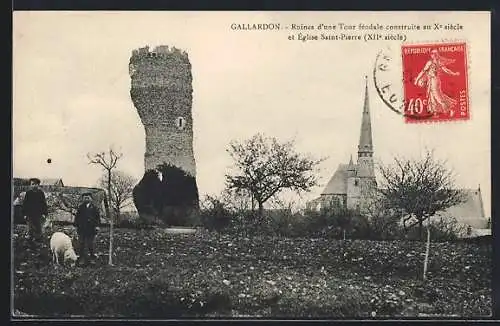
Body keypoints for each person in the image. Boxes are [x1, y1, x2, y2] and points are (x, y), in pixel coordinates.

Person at [414, 49, 460, 116]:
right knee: (432, 95)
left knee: (437, 96)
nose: (434, 55)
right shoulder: (430, 62)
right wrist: (417, 79)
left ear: (437, 55)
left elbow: (446, 70)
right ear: (431, 55)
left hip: (435, 81)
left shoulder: (438, 62)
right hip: (431, 80)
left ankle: (450, 110)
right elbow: (423, 71)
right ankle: (435, 113)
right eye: (432, 54)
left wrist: (454, 73)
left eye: (435, 54)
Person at [74, 192, 100, 266]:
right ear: (83, 199)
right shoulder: (81, 207)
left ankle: (92, 258)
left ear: (91, 199)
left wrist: (97, 226)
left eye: (88, 197)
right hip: (82, 229)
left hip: (91, 229)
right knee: (81, 244)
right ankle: (82, 258)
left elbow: (97, 218)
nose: (86, 199)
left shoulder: (94, 208)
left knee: (90, 244)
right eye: (85, 197)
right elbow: (77, 217)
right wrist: (76, 225)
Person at [22, 178, 48, 248]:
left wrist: (44, 213)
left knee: (39, 229)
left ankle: (38, 243)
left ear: (38, 185)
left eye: (36, 184)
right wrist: (24, 214)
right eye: (32, 184)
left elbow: (44, 204)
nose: (34, 186)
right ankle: (28, 243)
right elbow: (25, 204)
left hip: (38, 215)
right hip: (30, 215)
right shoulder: (28, 193)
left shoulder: (41, 193)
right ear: (30, 185)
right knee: (30, 229)